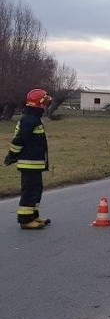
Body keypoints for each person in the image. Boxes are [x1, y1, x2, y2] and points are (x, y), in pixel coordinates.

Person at [4, 88, 52, 230]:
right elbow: (19, 140)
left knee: (36, 190)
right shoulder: (29, 120)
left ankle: (33, 215)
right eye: (45, 102)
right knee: (30, 191)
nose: (46, 106)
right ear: (39, 104)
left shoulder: (33, 118)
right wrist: (12, 156)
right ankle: (25, 220)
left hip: (35, 164)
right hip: (29, 164)